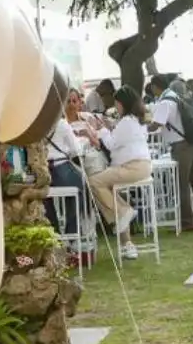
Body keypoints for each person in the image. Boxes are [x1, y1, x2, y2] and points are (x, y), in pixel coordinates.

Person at [88, 89, 153, 260]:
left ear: (122, 103)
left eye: (117, 103)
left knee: (94, 182)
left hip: (132, 167)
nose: (116, 107)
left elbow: (110, 144)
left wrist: (101, 129)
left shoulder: (127, 122)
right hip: (140, 166)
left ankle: (124, 213)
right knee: (109, 192)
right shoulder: (137, 119)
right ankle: (126, 240)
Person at [153, 76, 193, 230]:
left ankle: (186, 221)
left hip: (180, 146)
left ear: (155, 87)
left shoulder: (165, 102)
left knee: (182, 184)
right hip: (192, 142)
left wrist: (141, 126)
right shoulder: (178, 97)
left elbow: (156, 125)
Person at [44, 90, 92, 235]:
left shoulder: (40, 124)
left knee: (47, 199)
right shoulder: (62, 124)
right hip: (61, 168)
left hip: (44, 171)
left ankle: (55, 232)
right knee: (82, 186)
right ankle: (74, 232)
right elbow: (76, 150)